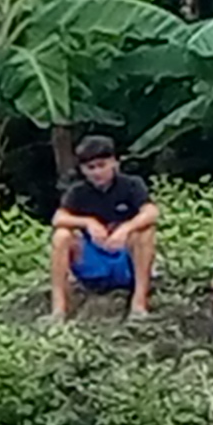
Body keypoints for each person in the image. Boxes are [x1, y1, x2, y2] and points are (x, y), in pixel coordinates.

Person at [50, 136, 158, 325]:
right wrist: (87, 222)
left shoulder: (131, 185)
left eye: (102, 165)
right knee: (62, 236)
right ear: (83, 170)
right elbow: (58, 218)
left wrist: (126, 228)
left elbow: (151, 212)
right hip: (93, 260)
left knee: (145, 233)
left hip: (125, 259)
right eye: (91, 168)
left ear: (114, 162)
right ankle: (59, 308)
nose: (97, 172)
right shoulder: (78, 192)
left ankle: (139, 303)